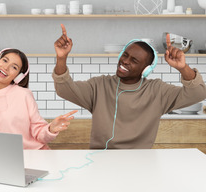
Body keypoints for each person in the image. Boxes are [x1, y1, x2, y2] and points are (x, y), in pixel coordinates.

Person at [52, 24, 206, 149]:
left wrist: (182, 68)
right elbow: (64, 89)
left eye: (134, 61)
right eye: (125, 55)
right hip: (101, 161)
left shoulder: (157, 91)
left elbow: (198, 94)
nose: (125, 61)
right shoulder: (99, 85)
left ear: (146, 70)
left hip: (140, 163)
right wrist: (61, 58)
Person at [0, 48, 77, 150]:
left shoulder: (24, 95)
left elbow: (39, 132)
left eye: (14, 67)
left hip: (31, 154)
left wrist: (50, 129)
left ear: (18, 76)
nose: (6, 67)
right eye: (5, 60)